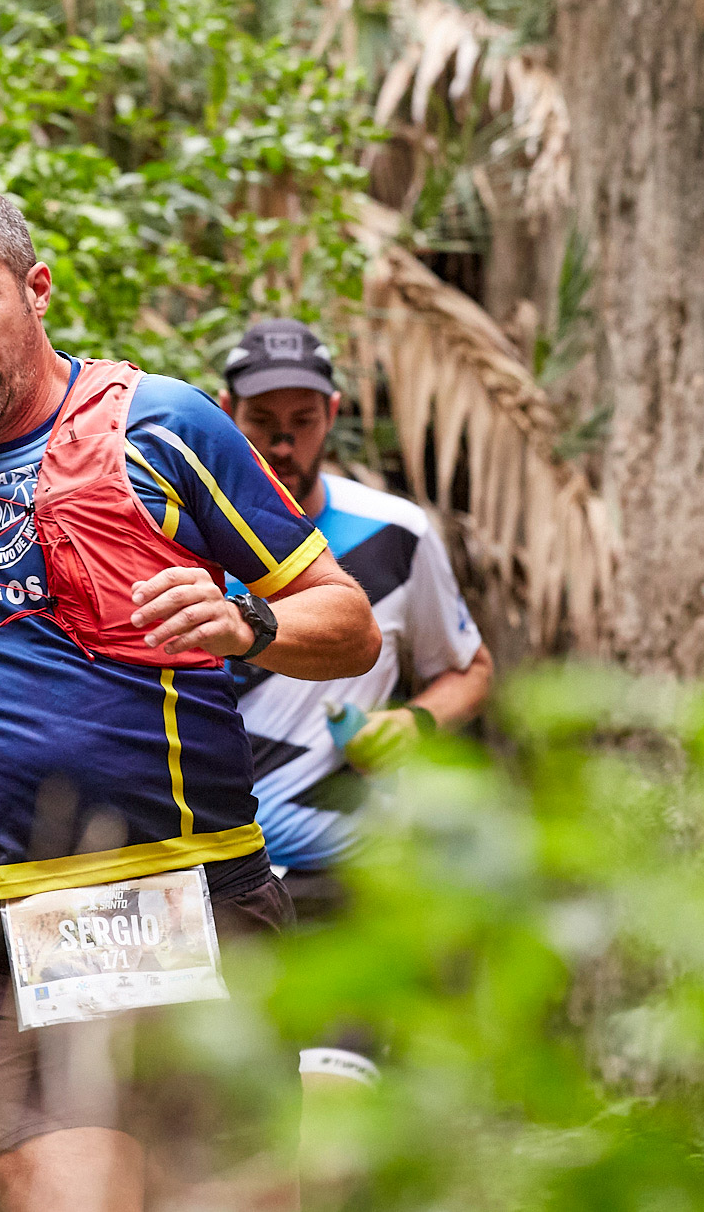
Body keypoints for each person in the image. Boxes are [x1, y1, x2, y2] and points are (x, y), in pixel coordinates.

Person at [0, 179, 380, 1212]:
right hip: (9, 924)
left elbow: (347, 625)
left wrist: (249, 624)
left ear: (34, 289)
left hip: (198, 900)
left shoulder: (166, 429)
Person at [218, 318, 493, 1090]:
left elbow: (469, 667)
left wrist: (415, 721)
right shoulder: (191, 546)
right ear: (223, 411)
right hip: (222, 884)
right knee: (242, 1130)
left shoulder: (396, 536)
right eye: (261, 423)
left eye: (301, 423)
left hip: (354, 879)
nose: (282, 444)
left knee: (334, 1105)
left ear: (332, 415)